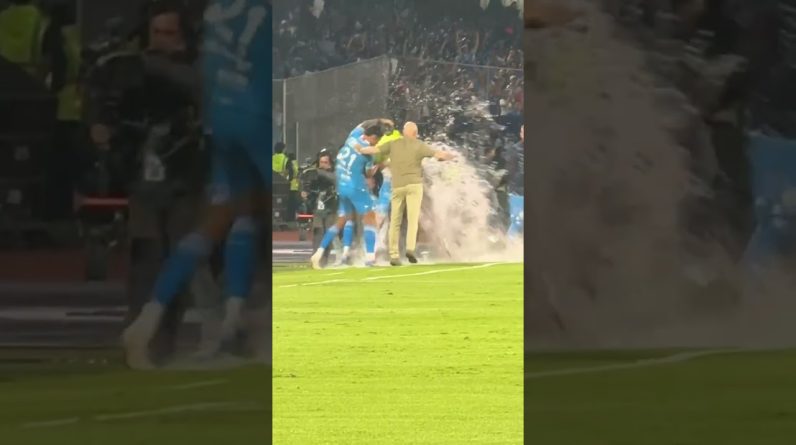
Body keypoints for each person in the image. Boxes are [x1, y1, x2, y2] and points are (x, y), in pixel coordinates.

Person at [123, 0, 271, 369]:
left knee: (226, 217)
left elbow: (208, 68)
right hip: (258, 117)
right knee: (290, 213)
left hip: (220, 119)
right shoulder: (270, 11)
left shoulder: (216, 10)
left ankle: (150, 320)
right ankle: (259, 323)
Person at [355, 122, 455, 266]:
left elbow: (374, 152)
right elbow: (438, 155)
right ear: (415, 133)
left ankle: (391, 254)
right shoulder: (418, 145)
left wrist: (361, 150)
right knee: (415, 219)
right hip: (413, 185)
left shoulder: (393, 144)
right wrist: (451, 156)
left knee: (394, 221)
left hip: (397, 186)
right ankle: (411, 249)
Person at [309, 119, 391, 269]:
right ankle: (370, 258)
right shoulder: (368, 153)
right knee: (370, 218)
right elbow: (368, 173)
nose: (376, 143)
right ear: (373, 137)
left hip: (341, 185)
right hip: (355, 186)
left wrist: (380, 120)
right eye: (377, 140)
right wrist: (381, 164)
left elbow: (363, 124)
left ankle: (318, 253)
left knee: (341, 220)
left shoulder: (353, 136)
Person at [301, 148, 338, 267]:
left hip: (332, 207)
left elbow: (335, 180)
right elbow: (308, 188)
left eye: (325, 162)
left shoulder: (334, 173)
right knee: (318, 232)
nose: (323, 165)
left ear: (330, 163)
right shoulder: (314, 175)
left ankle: (324, 260)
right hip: (318, 208)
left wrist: (321, 173)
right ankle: (315, 258)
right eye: (321, 162)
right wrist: (306, 194)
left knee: (328, 233)